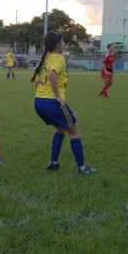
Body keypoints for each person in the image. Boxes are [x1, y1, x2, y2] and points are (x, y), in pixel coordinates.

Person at [32, 31, 97, 174]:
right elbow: (51, 75)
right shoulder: (58, 58)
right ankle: (82, 169)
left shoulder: (44, 59)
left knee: (60, 130)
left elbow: (37, 81)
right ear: (57, 44)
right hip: (52, 103)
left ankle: (53, 163)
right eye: (62, 42)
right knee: (74, 132)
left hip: (38, 102)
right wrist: (58, 96)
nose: (64, 44)